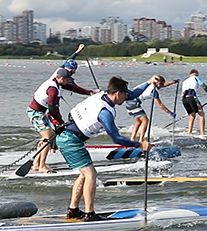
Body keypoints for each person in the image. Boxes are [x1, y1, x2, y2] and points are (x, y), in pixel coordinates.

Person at [57, 76, 155, 221]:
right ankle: (89, 214)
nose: (126, 97)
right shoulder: (105, 113)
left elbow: (133, 94)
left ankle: (73, 210)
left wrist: (149, 82)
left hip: (66, 136)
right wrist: (139, 145)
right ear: (118, 94)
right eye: (124, 94)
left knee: (84, 174)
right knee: (91, 175)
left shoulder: (101, 95)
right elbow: (116, 138)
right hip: (71, 140)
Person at [26, 68, 71, 173]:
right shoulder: (53, 89)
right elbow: (51, 108)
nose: (68, 81)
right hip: (36, 113)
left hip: (40, 113)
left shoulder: (54, 83)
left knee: (48, 137)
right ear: (60, 78)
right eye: (66, 79)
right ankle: (42, 166)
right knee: (47, 138)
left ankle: (36, 164)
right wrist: (60, 121)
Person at [126, 75, 177, 142]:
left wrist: (173, 82)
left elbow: (164, 85)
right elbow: (160, 105)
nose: (162, 86)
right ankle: (141, 140)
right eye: (161, 84)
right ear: (158, 83)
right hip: (133, 103)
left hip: (129, 102)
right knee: (145, 121)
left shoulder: (152, 83)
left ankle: (132, 139)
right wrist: (171, 113)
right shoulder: (153, 91)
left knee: (138, 122)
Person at [181, 69, 207, 136]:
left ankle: (189, 132)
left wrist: (186, 110)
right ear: (196, 74)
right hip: (192, 98)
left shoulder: (185, 81)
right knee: (201, 114)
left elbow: (182, 94)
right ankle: (202, 133)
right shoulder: (196, 78)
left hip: (184, 100)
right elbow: (204, 86)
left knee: (192, 115)